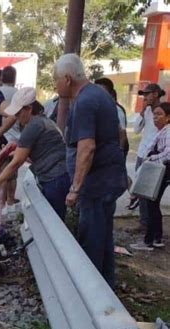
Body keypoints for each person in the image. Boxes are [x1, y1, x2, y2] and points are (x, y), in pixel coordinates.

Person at [53, 53, 127, 288]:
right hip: (108, 180)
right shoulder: (99, 95)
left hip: (96, 185)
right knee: (104, 238)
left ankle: (91, 293)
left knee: (92, 240)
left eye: (56, 80)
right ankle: (107, 288)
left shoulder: (85, 102)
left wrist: (75, 188)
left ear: (67, 78)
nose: (55, 86)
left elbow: (87, 148)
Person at [0, 87, 70, 220]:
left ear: (29, 109)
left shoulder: (33, 126)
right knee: (54, 219)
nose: (17, 118)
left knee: (53, 220)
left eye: (18, 114)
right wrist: (13, 154)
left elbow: (16, 163)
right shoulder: (44, 121)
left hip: (54, 179)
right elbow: (39, 154)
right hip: (59, 176)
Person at [130, 102, 170, 251]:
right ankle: (156, 238)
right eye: (154, 115)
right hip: (161, 170)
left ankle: (149, 241)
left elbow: (168, 153)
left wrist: (151, 159)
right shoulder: (163, 131)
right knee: (152, 204)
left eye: (159, 114)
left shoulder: (168, 132)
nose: (155, 118)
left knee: (151, 204)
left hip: (162, 171)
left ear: (168, 117)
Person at [132, 83, 164, 228]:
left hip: (154, 156)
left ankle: (149, 225)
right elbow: (136, 130)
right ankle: (143, 223)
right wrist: (143, 111)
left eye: (147, 94)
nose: (144, 97)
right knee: (140, 190)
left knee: (150, 193)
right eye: (143, 94)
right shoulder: (146, 111)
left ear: (156, 94)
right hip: (142, 153)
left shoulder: (163, 110)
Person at [0, 66, 20, 214]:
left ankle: (2, 201)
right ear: (14, 78)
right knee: (13, 172)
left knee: (3, 172)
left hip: (1, 136)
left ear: (2, 77)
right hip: (17, 138)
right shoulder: (18, 93)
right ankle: (10, 200)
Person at [94, 77, 129, 160]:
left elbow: (122, 134)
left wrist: (119, 153)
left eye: (102, 91)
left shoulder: (116, 109)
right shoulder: (99, 106)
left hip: (115, 152)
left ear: (110, 93)